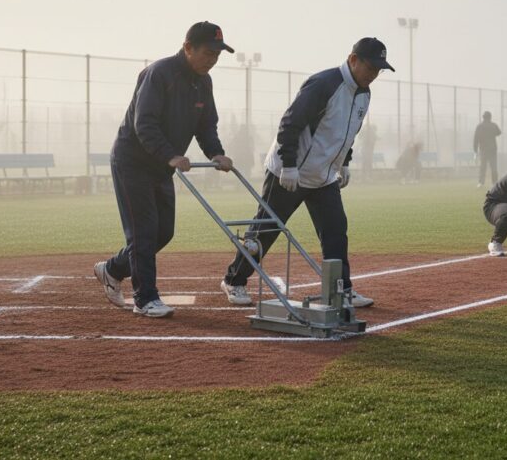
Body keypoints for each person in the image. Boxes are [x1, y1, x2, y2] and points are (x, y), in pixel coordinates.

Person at [220, 37, 394, 308]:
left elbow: (349, 131)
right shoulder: (323, 84)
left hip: (324, 177)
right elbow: (290, 123)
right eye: (370, 67)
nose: (373, 74)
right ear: (353, 60)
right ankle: (234, 280)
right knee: (266, 230)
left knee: (336, 231)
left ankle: (340, 290)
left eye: (378, 70)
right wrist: (288, 165)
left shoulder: (364, 94)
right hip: (290, 173)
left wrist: (345, 161)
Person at [93, 21, 235, 318]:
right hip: (133, 161)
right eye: (209, 53)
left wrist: (216, 153)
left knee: (163, 232)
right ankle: (145, 298)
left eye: (217, 54)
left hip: (160, 166)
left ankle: (112, 269)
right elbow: (143, 123)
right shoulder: (160, 74)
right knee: (143, 231)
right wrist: (170, 155)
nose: (213, 60)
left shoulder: (203, 82)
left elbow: (206, 125)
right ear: (188, 48)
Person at [473, 111, 502, 187]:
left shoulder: (480, 126)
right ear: (490, 117)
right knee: (493, 167)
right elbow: (499, 132)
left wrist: (475, 150)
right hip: (492, 149)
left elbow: (476, 138)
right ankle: (495, 182)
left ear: (483, 117)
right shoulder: (493, 125)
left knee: (483, 167)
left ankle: (481, 182)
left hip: (483, 149)